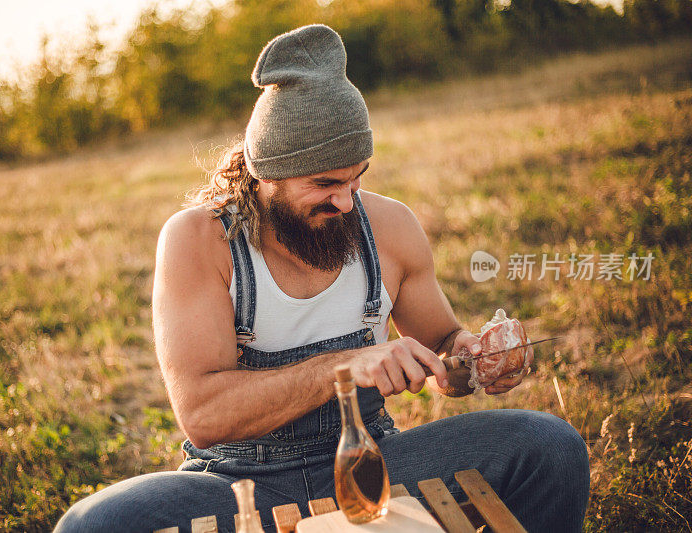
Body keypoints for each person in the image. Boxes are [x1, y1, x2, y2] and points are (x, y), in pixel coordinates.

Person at [54, 24, 589, 533]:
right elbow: (204, 414)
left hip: (376, 463)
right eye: (325, 183)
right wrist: (346, 365)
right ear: (266, 173)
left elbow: (444, 346)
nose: (346, 201)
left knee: (549, 446)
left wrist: (472, 358)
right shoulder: (199, 241)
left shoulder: (391, 226)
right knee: (91, 525)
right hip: (239, 481)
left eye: (359, 178)